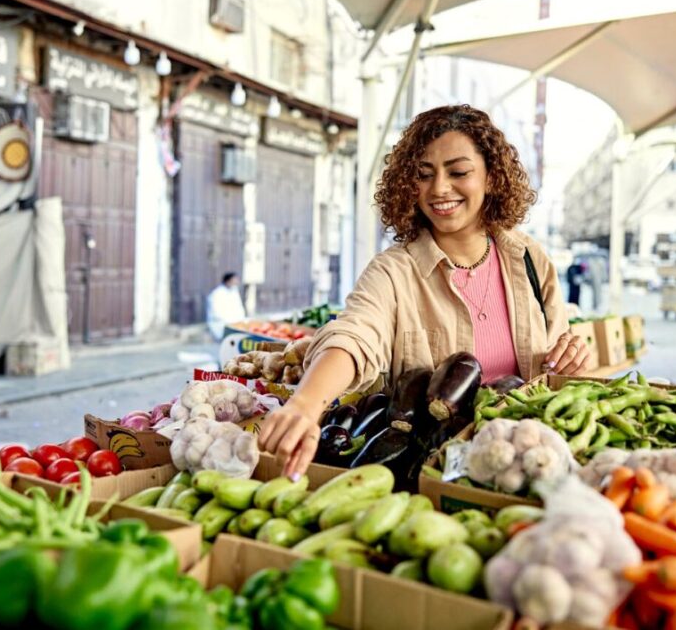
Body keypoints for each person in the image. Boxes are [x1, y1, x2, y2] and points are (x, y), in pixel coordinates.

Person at [259, 105, 592, 477]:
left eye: (459, 172)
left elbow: (556, 365)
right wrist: (305, 405)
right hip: (433, 476)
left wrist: (571, 358)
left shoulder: (529, 259)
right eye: (424, 175)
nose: (439, 189)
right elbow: (354, 336)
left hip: (522, 468)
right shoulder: (394, 272)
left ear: (492, 177)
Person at [206, 272, 246, 340]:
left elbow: (239, 307)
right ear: (228, 281)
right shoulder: (217, 294)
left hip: (235, 321)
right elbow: (216, 313)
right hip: (220, 323)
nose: (236, 283)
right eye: (234, 281)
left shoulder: (234, 291)